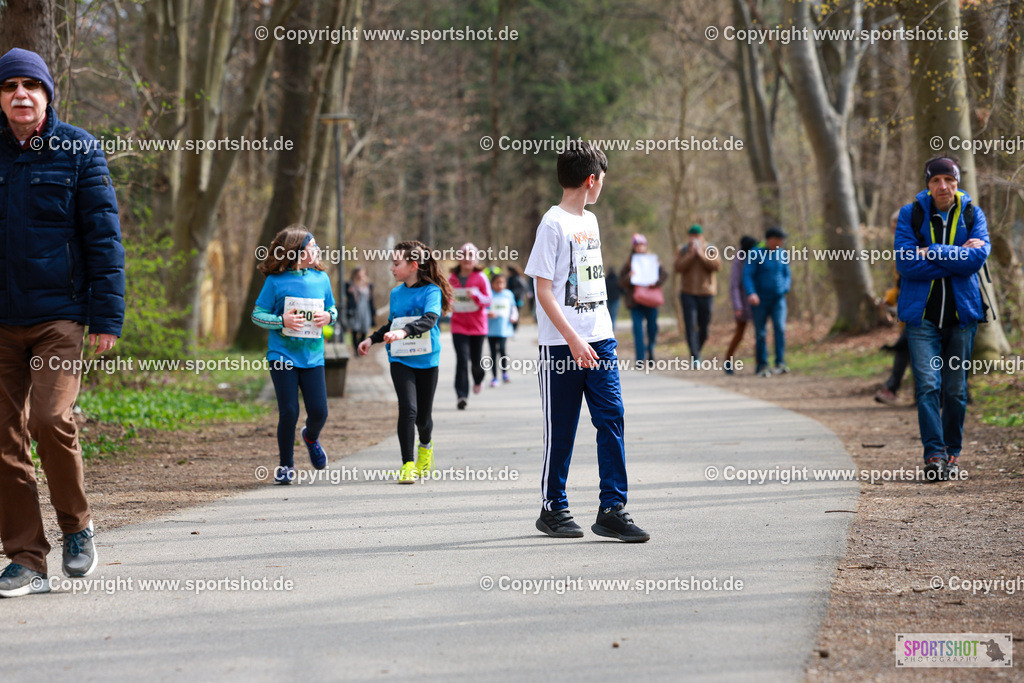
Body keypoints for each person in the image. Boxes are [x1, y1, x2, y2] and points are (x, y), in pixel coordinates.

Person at [0, 48, 125, 598]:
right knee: (1, 440)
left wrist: (106, 317)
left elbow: (104, 239)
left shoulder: (79, 149)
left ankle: (77, 526)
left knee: (50, 419)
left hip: (61, 316)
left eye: (30, 85)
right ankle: (26, 558)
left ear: (47, 94)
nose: (20, 95)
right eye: (9, 86)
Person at [524, 141, 649, 543]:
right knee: (561, 427)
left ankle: (612, 508)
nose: (603, 186)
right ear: (591, 180)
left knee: (611, 418)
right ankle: (553, 508)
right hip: (561, 346)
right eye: (603, 180)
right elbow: (543, 290)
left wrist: (599, 334)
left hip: (601, 342)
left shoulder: (590, 222)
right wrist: (573, 339)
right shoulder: (552, 224)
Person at [895, 156, 989, 482]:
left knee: (955, 390)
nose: (943, 186)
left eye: (949, 180)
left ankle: (953, 453)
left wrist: (931, 251)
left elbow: (976, 259)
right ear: (928, 185)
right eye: (936, 180)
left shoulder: (973, 214)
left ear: (957, 182)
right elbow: (906, 263)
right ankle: (934, 455)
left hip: (962, 316)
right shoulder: (911, 214)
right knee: (927, 387)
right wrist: (956, 256)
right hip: (921, 319)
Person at [358, 241, 452, 483]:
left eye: (396, 263)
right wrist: (371, 339)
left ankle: (426, 447)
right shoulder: (396, 293)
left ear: (413, 266)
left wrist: (404, 331)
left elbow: (430, 319)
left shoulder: (432, 291)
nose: (392, 268)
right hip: (400, 358)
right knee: (408, 409)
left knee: (423, 418)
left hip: (427, 359)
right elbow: (393, 323)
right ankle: (407, 464)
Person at [252, 227, 336, 484]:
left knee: (319, 412)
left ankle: (310, 437)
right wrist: (281, 321)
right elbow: (257, 315)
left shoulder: (321, 279)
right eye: (313, 246)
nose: (318, 250)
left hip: (313, 357)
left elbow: (333, 308)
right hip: (282, 355)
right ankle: (286, 466)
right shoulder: (275, 281)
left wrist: (329, 316)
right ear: (297, 252)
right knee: (289, 411)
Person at [449, 243, 492, 409]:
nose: (467, 258)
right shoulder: (452, 278)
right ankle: (461, 396)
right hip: (458, 325)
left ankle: (478, 379)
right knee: (461, 360)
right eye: (464, 255)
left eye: (470, 255)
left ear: (476, 259)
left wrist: (476, 294)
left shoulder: (481, 277)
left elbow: (488, 300)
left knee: (476, 361)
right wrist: (448, 304)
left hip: (477, 327)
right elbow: (447, 298)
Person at [744, 227, 791, 377]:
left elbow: (786, 274)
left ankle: (780, 362)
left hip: (778, 299)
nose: (781, 242)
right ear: (770, 239)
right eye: (779, 239)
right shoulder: (755, 253)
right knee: (761, 332)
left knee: (780, 328)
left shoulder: (782, 253)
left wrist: (785, 288)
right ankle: (762, 365)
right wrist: (751, 293)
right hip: (760, 300)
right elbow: (747, 275)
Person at [876, 210, 911, 404]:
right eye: (892, 228)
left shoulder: (913, 246)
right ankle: (894, 389)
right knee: (904, 349)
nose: (894, 232)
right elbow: (900, 283)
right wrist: (890, 299)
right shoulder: (899, 248)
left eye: (898, 228)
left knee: (904, 348)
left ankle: (893, 388)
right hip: (906, 307)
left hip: (918, 309)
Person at [674, 224, 722, 361]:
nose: (694, 238)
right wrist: (690, 256)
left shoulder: (710, 248)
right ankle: (695, 355)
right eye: (692, 236)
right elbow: (677, 267)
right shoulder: (683, 250)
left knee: (704, 327)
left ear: (702, 236)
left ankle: (697, 349)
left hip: (706, 292)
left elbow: (717, 266)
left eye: (697, 236)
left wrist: (702, 255)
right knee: (690, 325)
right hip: (687, 292)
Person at [618, 234, 668, 363]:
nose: (640, 248)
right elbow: (621, 282)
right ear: (634, 247)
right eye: (637, 245)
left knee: (652, 328)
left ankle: (650, 349)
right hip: (635, 302)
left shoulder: (653, 260)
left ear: (646, 246)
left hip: (651, 300)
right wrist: (629, 277)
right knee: (638, 329)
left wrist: (655, 280)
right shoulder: (629, 263)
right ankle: (640, 358)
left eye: (642, 245)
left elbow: (664, 275)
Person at [724, 235, 757, 375]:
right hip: (743, 304)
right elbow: (734, 286)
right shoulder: (739, 261)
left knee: (759, 334)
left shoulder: (757, 258)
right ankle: (728, 361)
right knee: (739, 334)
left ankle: (760, 363)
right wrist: (737, 306)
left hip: (756, 302)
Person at [487, 273, 517, 386]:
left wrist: (514, 317)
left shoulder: (508, 294)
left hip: (504, 329)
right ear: (492, 284)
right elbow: (483, 309)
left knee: (503, 350)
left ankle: (505, 373)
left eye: (502, 282)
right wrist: (488, 313)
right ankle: (494, 377)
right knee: (493, 353)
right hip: (491, 330)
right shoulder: (489, 294)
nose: (500, 285)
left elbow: (513, 308)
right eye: (497, 283)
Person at [345, 267, 375, 356]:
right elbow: (347, 297)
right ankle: (356, 349)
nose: (361, 274)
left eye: (363, 272)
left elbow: (371, 299)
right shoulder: (351, 284)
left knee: (364, 330)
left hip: (366, 310)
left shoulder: (368, 284)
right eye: (360, 272)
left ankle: (360, 346)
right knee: (354, 330)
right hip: (355, 310)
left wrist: (373, 311)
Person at [505, 265, 528, 331]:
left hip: (518, 298)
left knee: (516, 312)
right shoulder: (510, 278)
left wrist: (516, 293)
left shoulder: (518, 278)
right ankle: (512, 326)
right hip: (510, 298)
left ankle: (515, 326)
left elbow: (524, 287)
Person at [604, 259, 622, 331]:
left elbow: (621, 289)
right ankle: (610, 329)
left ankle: (611, 329)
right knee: (610, 315)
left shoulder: (615, 279)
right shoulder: (608, 280)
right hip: (610, 300)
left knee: (612, 315)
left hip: (614, 300)